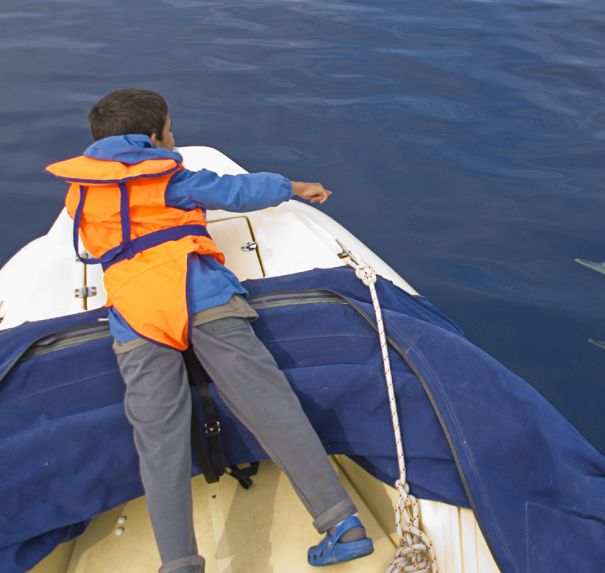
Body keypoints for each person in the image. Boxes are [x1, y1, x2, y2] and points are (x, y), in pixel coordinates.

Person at [45, 88, 374, 573]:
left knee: (159, 441)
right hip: (204, 298)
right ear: (152, 138)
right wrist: (296, 186)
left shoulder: (80, 193)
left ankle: (179, 563)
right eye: (171, 130)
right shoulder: (169, 177)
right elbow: (237, 192)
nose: (174, 138)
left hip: (138, 315)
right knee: (270, 404)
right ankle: (342, 525)